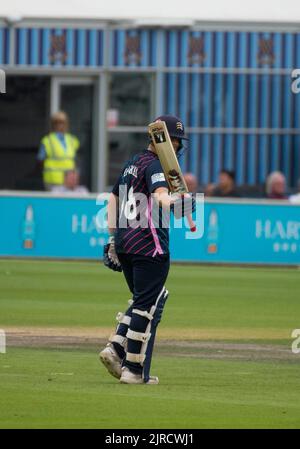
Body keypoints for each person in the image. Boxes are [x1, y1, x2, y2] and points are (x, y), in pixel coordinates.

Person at [99, 115, 194, 385]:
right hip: (149, 246)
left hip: (126, 243)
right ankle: (133, 370)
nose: (177, 147)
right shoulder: (155, 166)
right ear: (164, 140)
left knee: (150, 297)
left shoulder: (133, 162)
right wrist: (178, 205)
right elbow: (162, 196)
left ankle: (115, 348)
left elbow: (113, 198)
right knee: (145, 305)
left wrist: (112, 239)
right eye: (176, 141)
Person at [37, 111, 80, 191]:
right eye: (58, 123)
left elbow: (75, 160)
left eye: (63, 122)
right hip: (53, 181)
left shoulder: (72, 140)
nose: (61, 125)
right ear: (53, 124)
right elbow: (40, 161)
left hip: (69, 182)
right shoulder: (47, 141)